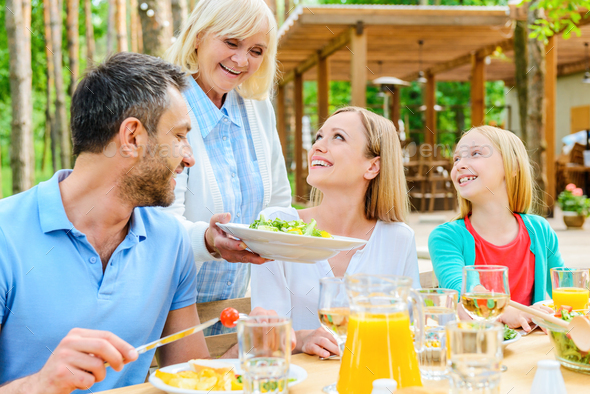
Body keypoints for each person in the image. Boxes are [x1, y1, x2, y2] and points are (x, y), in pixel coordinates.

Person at [0, 52, 212, 394]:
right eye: (179, 136)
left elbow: (192, 379)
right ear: (132, 137)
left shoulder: (171, 240)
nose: (189, 156)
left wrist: (256, 350)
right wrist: (40, 384)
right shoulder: (4, 235)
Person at [162, 0, 291, 336]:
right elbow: (159, 225)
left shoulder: (258, 110)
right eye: (232, 42)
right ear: (198, 37)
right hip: (167, 311)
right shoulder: (163, 106)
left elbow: (278, 202)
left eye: (256, 50)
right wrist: (208, 241)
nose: (241, 60)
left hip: (230, 313)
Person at [250, 107, 420, 358]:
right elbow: (266, 336)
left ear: (373, 167)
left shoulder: (398, 238)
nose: (317, 146)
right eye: (319, 137)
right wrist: (304, 339)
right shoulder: (275, 226)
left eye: (338, 137)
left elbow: (408, 329)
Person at [428, 125, 564, 331]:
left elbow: (565, 290)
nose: (460, 165)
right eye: (456, 159)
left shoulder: (540, 230)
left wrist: (545, 308)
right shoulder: (446, 237)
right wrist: (504, 311)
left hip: (532, 351)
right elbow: (461, 290)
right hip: (477, 353)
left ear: (512, 167)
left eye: (475, 154)